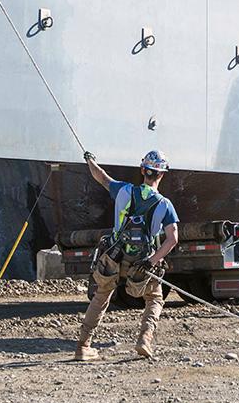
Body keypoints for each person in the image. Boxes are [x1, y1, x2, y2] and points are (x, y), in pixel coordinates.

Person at [74, 149, 180, 362]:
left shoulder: (124, 190)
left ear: (142, 170)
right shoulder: (165, 205)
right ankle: (144, 340)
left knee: (101, 297)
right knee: (154, 298)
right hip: (141, 262)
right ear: (161, 174)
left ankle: (83, 346)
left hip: (114, 256)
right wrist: (151, 261)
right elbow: (172, 239)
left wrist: (90, 161)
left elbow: (102, 177)